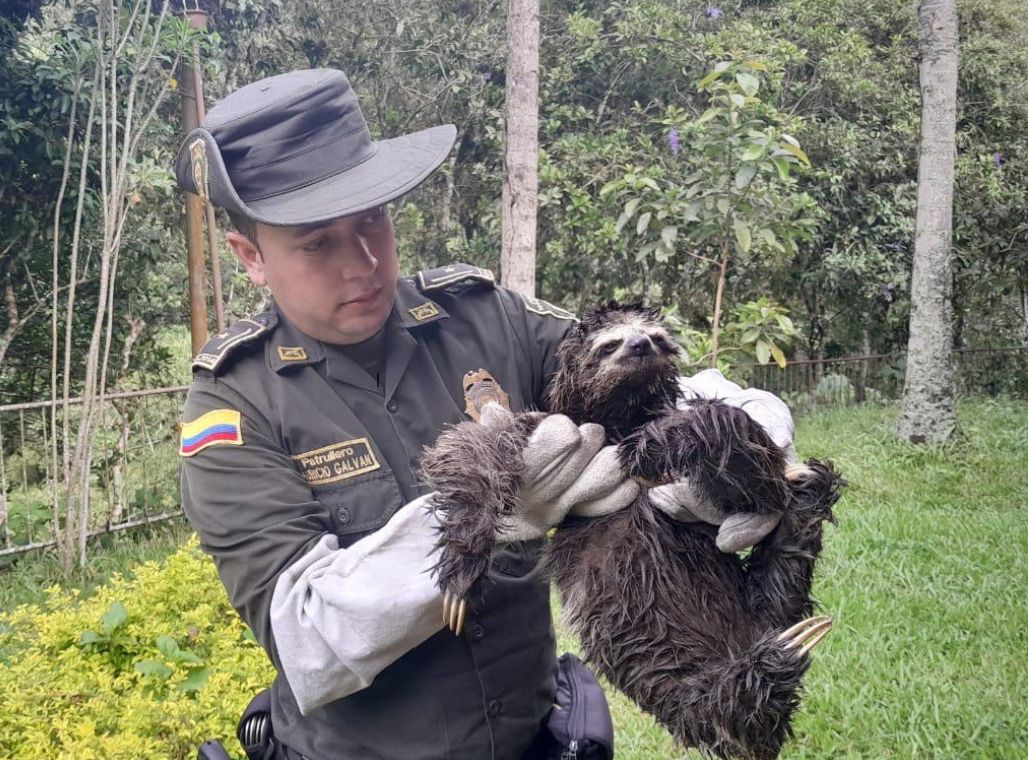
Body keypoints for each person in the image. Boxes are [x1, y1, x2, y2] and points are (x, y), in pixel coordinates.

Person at [174, 69, 796, 760]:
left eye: (372, 219)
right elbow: (307, 634)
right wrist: (483, 519)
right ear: (251, 257)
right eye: (318, 243)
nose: (364, 261)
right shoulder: (234, 404)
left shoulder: (481, 318)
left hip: (533, 735)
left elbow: (638, 377)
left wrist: (751, 427)